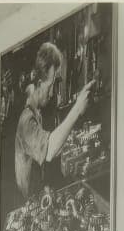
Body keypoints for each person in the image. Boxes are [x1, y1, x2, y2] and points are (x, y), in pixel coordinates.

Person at [14, 41, 95, 200]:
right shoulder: (26, 121)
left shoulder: (35, 111)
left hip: (38, 192)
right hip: (27, 201)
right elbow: (50, 151)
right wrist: (77, 108)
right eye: (50, 86)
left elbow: (51, 149)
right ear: (38, 83)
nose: (52, 93)